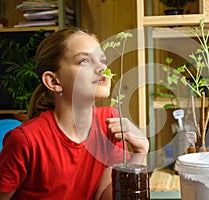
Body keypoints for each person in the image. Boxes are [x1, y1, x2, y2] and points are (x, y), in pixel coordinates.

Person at [0, 28, 149, 200]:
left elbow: (104, 196)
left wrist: (140, 151)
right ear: (54, 81)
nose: (102, 68)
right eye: (84, 61)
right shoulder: (25, 140)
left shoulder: (109, 122)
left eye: (102, 60)